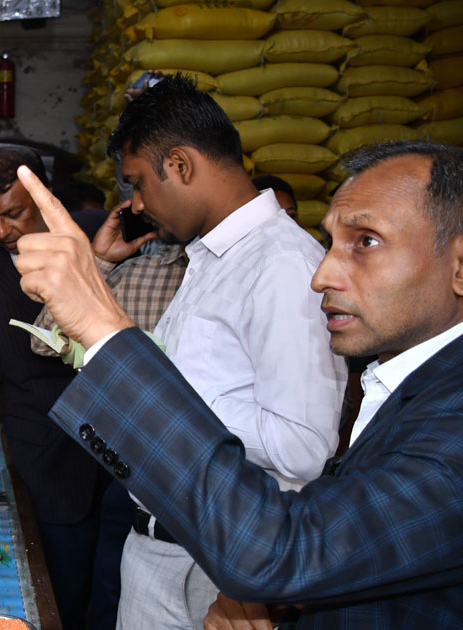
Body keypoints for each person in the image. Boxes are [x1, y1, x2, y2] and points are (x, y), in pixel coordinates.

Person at [16, 135, 463, 628]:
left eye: (366, 242)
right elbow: (358, 531)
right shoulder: (410, 388)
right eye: (332, 240)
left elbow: (286, 545)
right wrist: (286, 601)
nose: (322, 275)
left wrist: (104, 329)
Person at [99, 75, 346, 630]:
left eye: (138, 183)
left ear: (181, 165)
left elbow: (302, 446)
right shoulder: (211, 260)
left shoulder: (280, 263)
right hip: (165, 548)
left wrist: (160, 401)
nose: (136, 204)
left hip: (214, 565)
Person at [0, 145, 109, 629]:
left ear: (43, 196)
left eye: (13, 214)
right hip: (50, 464)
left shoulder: (99, 242)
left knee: (118, 601)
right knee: (64, 600)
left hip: (130, 467)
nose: (2, 231)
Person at [28, 202, 188, 630]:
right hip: (126, 458)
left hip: (199, 465)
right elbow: (44, 341)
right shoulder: (136, 274)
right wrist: (96, 263)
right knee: (111, 587)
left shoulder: (227, 281)